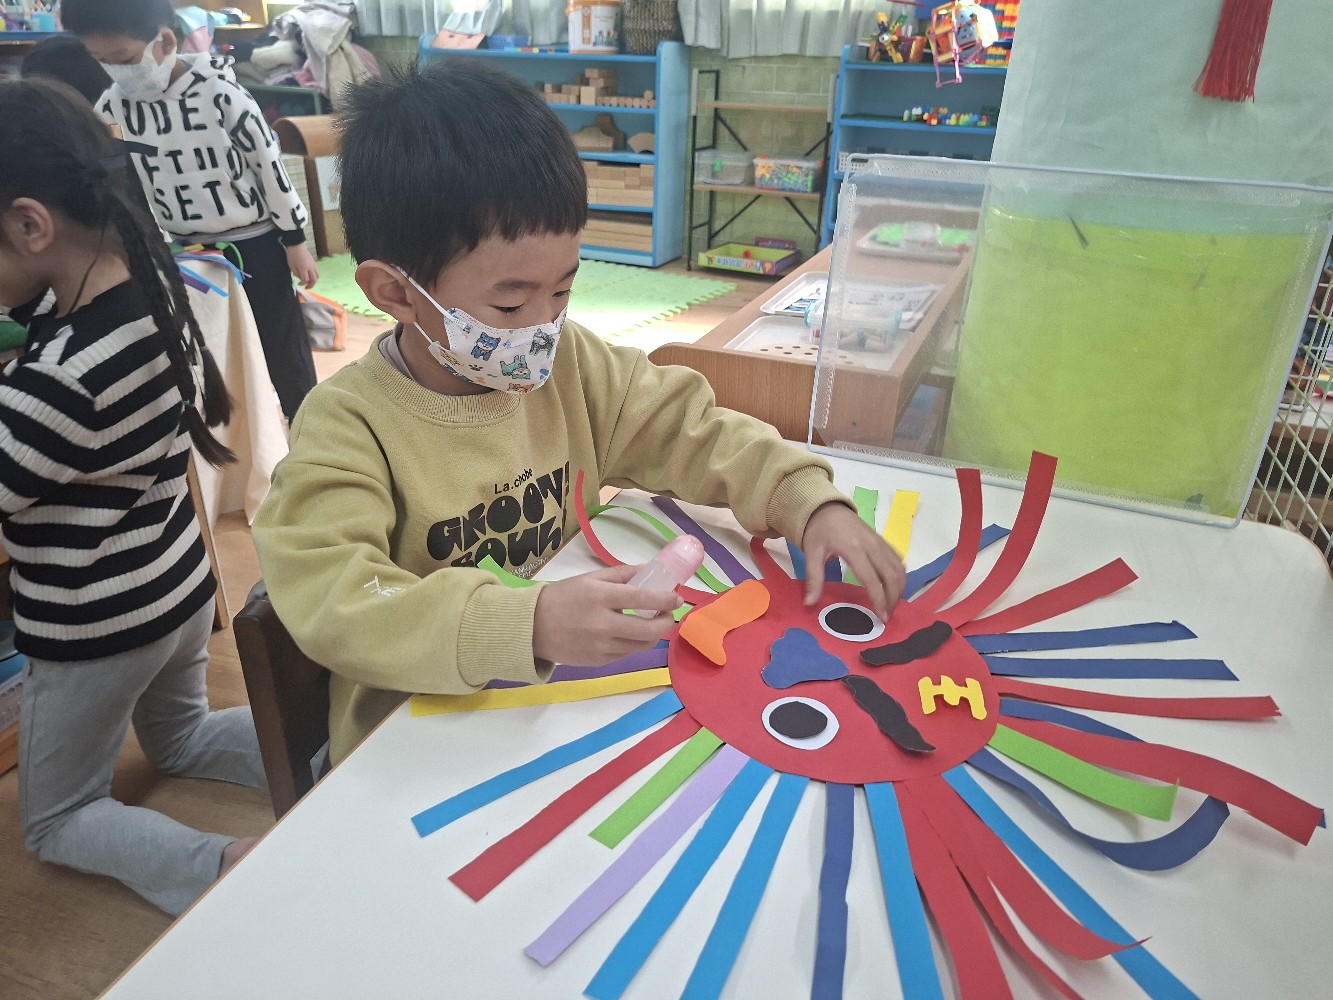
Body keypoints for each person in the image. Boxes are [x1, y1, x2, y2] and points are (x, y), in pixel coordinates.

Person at [251, 61, 908, 767]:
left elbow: (690, 429)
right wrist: (525, 621)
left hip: (555, 703)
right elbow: (335, 598)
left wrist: (801, 498)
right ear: (395, 293)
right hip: (416, 739)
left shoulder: (572, 363)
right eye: (510, 303)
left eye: (562, 291)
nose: (543, 326)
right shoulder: (348, 425)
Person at [0, 78, 267, 915]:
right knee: (182, 736)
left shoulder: (57, 384)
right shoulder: (157, 294)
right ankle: (337, 747)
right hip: (177, 590)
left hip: (97, 627)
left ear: (31, 225)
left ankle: (224, 866)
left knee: (59, 818)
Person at [61, 0, 320, 425]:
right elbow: (95, 158)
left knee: (279, 341)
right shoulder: (115, 104)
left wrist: (294, 240)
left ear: (164, 41)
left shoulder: (222, 95)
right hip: (186, 252)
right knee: (212, 343)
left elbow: (269, 168)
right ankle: (241, 430)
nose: (116, 71)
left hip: (254, 243)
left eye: (123, 58)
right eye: (101, 60)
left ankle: (308, 423)